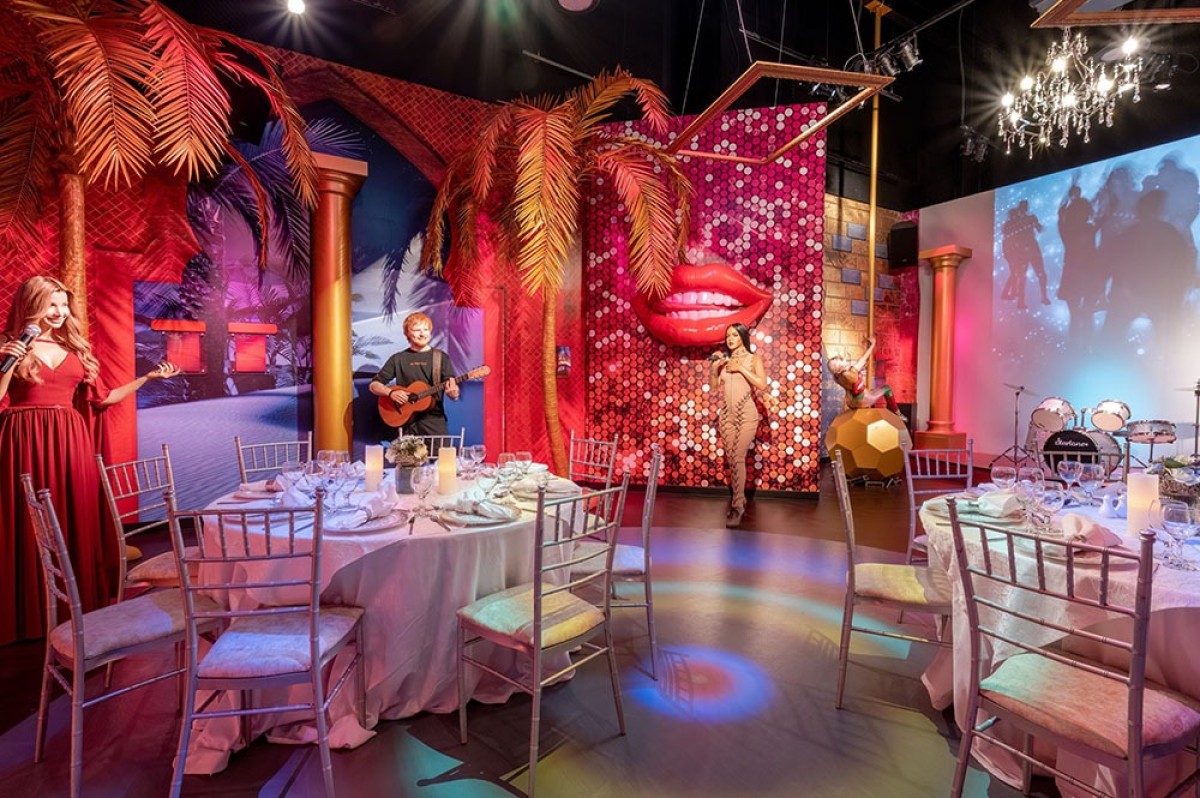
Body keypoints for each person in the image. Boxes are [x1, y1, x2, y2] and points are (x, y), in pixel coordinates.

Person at [0, 275, 180, 644]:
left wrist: (146, 378)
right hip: (22, 439)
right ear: (31, 305)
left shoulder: (74, 348)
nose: (59, 312)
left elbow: (103, 398)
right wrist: (7, 362)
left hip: (70, 440)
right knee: (26, 522)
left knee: (72, 515)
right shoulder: (8, 346)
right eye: (51, 304)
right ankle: (26, 613)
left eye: (63, 305)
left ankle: (75, 610)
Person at [710, 323, 767, 528]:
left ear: (743, 337)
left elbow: (762, 384)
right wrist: (714, 369)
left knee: (737, 456)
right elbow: (714, 388)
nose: (730, 339)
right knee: (732, 459)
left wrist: (741, 368)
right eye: (728, 336)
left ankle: (737, 506)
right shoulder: (725, 361)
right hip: (727, 416)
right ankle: (739, 500)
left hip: (747, 415)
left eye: (734, 335)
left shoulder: (753, 359)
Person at [369, 312, 459, 437]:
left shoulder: (441, 358)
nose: (422, 334)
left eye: (426, 329)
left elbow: (452, 387)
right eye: (417, 330)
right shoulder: (398, 358)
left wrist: (454, 394)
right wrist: (390, 393)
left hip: (433, 420)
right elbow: (374, 385)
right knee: (405, 451)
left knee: (442, 451)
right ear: (407, 333)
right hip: (404, 420)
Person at [827, 336, 900, 414]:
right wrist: (873, 344)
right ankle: (898, 413)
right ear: (840, 366)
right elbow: (864, 358)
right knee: (887, 388)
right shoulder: (851, 372)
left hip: (851, 402)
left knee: (873, 391)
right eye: (842, 360)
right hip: (862, 400)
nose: (845, 359)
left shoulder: (836, 377)